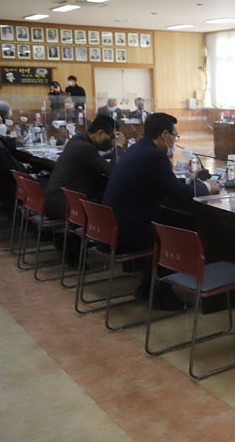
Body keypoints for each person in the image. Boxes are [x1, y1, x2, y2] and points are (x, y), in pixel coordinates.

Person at [102, 113, 220, 306]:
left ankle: (147, 288)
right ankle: (158, 293)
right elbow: (177, 194)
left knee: (179, 223)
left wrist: (189, 180)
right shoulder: (155, 156)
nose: (175, 140)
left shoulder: (138, 149)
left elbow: (163, 182)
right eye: (175, 135)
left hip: (115, 225)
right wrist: (207, 187)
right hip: (128, 231)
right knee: (184, 235)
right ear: (165, 135)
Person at [44, 115, 124, 220]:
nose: (112, 141)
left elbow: (96, 159)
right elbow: (112, 170)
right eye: (111, 137)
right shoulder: (84, 147)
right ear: (100, 133)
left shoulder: (79, 139)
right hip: (64, 205)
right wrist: (118, 147)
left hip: (57, 199)